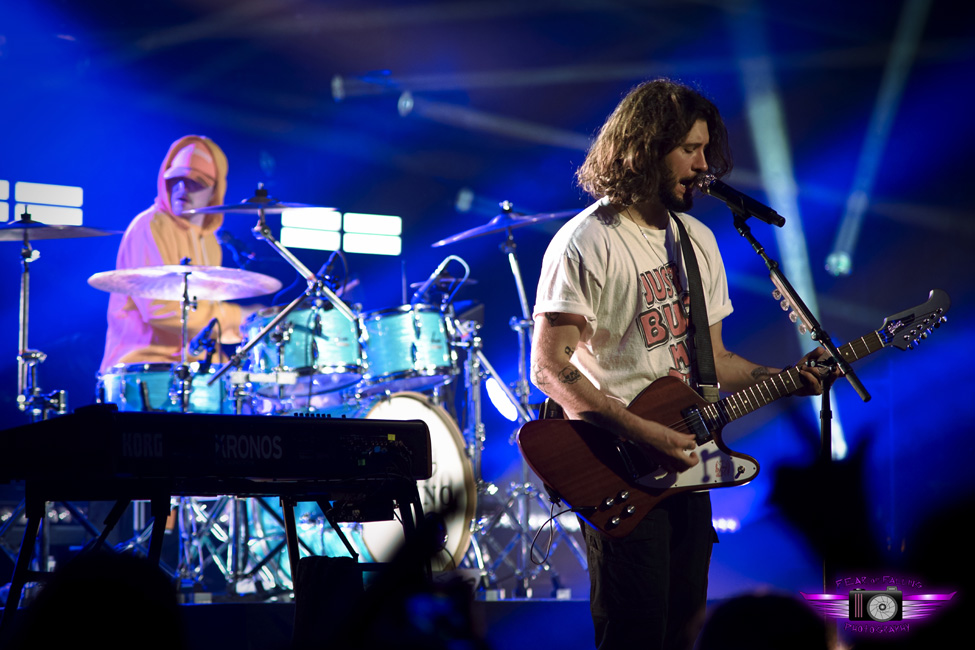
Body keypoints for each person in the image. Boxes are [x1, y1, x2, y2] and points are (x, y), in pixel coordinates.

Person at [529, 79, 834, 650]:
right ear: (644, 149)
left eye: (705, 149)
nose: (703, 165)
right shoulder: (587, 242)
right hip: (620, 467)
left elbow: (714, 361)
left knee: (682, 631)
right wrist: (642, 429)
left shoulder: (696, 240)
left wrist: (786, 380)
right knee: (636, 635)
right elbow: (549, 369)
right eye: (688, 150)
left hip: (690, 464)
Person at [99, 135, 255, 376]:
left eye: (196, 182)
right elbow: (161, 310)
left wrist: (253, 324)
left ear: (215, 190)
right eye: (176, 179)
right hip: (144, 370)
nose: (182, 188)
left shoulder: (211, 241)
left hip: (194, 370)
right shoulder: (149, 226)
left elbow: (203, 314)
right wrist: (241, 318)